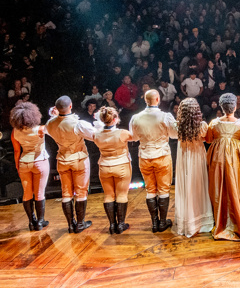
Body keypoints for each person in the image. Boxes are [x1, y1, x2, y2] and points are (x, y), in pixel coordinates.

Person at [206, 93, 240, 241]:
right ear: (235, 107)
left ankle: (220, 219)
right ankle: (238, 216)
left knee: (218, 187)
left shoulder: (214, 123)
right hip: (236, 159)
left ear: (221, 107)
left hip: (218, 159)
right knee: (236, 186)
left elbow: (208, 140)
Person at [129, 89, 178, 233]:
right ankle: (162, 222)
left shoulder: (136, 117)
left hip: (144, 156)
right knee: (163, 189)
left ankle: (154, 223)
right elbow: (174, 135)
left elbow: (133, 137)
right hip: (161, 155)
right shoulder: (165, 116)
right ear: (158, 99)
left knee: (150, 189)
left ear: (145, 100)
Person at [46, 95, 95, 233]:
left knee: (66, 193)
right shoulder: (77, 123)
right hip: (78, 159)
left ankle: (70, 224)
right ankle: (80, 223)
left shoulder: (50, 124)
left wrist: (54, 116)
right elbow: (94, 136)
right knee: (81, 191)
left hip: (62, 159)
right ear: (71, 106)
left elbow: (51, 127)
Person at [173, 98, 213, 237]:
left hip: (183, 158)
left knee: (186, 187)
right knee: (198, 186)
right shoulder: (202, 126)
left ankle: (186, 221)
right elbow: (206, 139)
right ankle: (200, 220)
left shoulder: (176, 126)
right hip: (197, 157)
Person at [93, 106, 134, 234]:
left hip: (104, 166)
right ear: (115, 119)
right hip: (121, 165)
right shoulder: (122, 133)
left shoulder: (96, 134)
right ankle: (121, 224)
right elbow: (135, 137)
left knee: (108, 195)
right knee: (121, 195)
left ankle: (112, 225)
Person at [10, 102, 50, 231]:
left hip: (24, 163)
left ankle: (31, 222)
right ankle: (40, 221)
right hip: (40, 161)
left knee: (27, 193)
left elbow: (17, 151)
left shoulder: (15, 131)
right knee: (39, 193)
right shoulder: (40, 129)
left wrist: (18, 166)